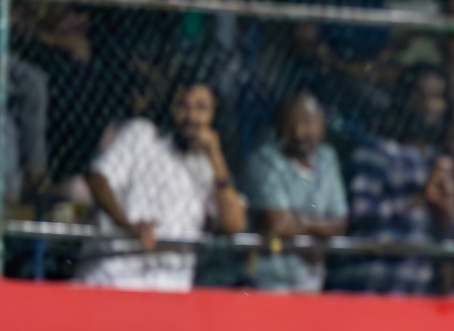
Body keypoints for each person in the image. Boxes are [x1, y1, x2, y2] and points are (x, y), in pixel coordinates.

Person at [76, 79, 247, 291]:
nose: (191, 117)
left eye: (201, 108)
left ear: (214, 117)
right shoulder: (141, 134)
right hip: (114, 277)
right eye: (183, 106)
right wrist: (126, 224)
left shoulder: (209, 166)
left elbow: (235, 225)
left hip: (171, 285)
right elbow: (97, 179)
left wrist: (217, 160)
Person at [335, 65, 454, 294]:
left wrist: (444, 208)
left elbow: (451, 233)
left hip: (418, 289)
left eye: (437, 96)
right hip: (373, 285)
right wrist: (416, 199)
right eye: (421, 94)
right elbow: (360, 213)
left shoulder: (438, 160)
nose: (429, 105)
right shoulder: (374, 153)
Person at [245, 92, 348, 293]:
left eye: (311, 122)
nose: (302, 132)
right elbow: (279, 223)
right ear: (280, 126)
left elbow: (340, 223)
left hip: (313, 284)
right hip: (269, 284)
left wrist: (300, 225)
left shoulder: (327, 159)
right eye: (296, 122)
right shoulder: (264, 161)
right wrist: (317, 231)